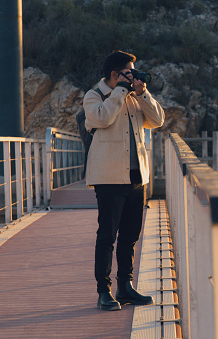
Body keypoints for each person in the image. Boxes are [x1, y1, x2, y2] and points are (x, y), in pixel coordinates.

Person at [83, 50, 165, 311]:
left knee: (130, 235)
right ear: (115, 74)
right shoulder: (94, 96)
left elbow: (158, 120)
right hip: (109, 177)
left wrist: (142, 93)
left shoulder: (133, 97)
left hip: (136, 176)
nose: (133, 76)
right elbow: (101, 118)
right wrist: (119, 91)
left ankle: (125, 287)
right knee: (107, 235)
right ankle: (103, 291)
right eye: (129, 72)